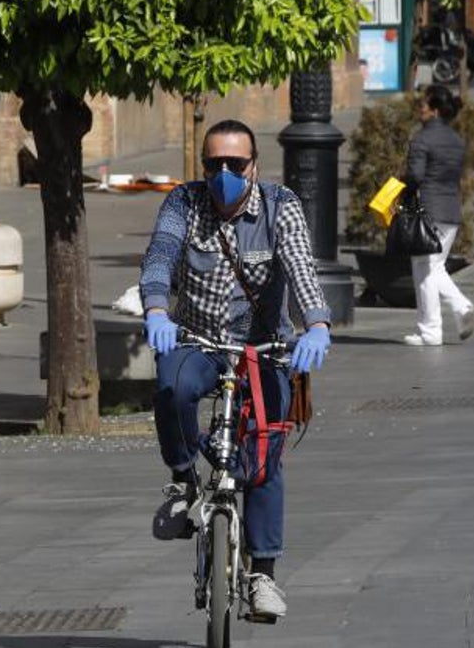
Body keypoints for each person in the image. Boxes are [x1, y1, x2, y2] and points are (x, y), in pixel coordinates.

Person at [139, 119, 332, 621]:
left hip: (261, 347)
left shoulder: (279, 205)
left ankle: (263, 575)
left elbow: (300, 266)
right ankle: (183, 480)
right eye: (213, 164)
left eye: (235, 164)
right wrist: (157, 309)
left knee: (265, 449)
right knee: (172, 388)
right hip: (198, 339)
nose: (223, 173)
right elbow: (160, 254)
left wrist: (315, 323)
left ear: (254, 166)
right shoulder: (184, 202)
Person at [402, 85, 474, 347]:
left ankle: (431, 330)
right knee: (435, 266)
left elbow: (415, 176)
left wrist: (401, 189)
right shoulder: (456, 139)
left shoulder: (422, 139)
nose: (419, 110)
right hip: (451, 210)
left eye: (423, 106)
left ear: (433, 110)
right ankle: (460, 307)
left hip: (429, 210)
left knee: (424, 269)